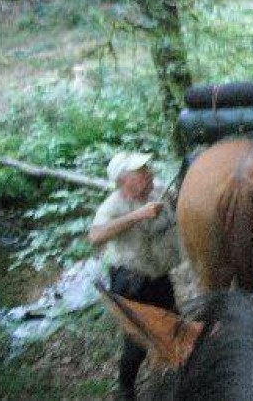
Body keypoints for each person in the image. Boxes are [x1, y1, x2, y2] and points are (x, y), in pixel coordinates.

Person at [88, 152, 181, 400]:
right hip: (131, 282)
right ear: (123, 181)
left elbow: (179, 197)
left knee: (174, 323)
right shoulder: (113, 205)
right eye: (141, 172)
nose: (149, 174)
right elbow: (95, 236)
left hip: (158, 276)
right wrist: (137, 215)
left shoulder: (158, 190)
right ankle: (125, 390)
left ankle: (175, 372)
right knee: (137, 340)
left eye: (148, 169)